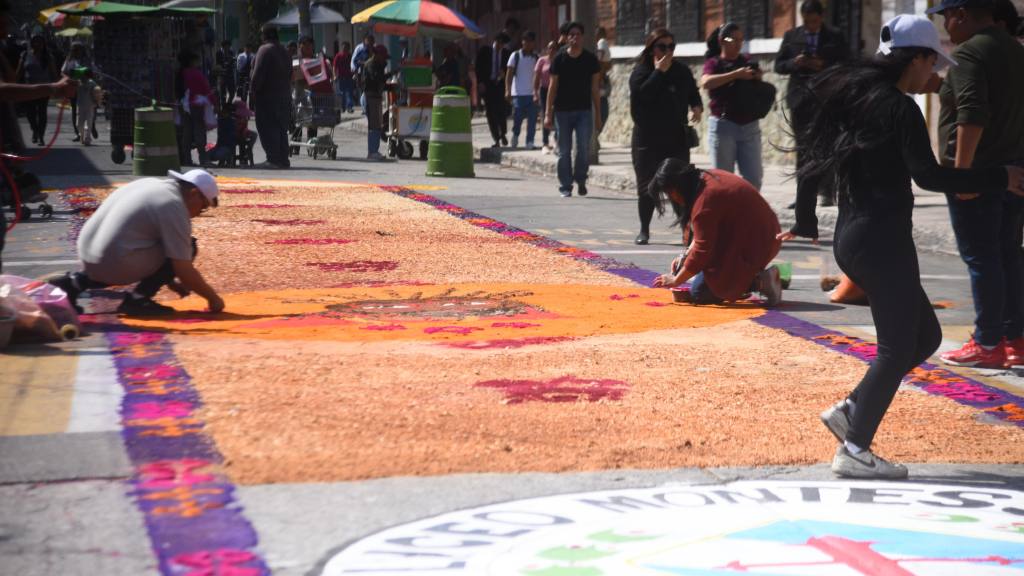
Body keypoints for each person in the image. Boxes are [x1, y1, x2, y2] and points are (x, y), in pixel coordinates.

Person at [781, 14, 1024, 478]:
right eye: (932, 62)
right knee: (896, 347)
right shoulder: (897, 106)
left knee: (925, 337)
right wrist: (1000, 178)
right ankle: (854, 449)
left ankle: (853, 409)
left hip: (856, 238)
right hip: (881, 240)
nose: (935, 73)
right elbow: (930, 176)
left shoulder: (862, 99)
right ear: (916, 58)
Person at [927, 0, 1024, 370]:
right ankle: (1014, 339)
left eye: (946, 18)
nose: (945, 27)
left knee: (982, 258)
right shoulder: (1014, 51)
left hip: (980, 172)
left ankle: (986, 342)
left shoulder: (969, 52)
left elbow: (972, 114)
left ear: (961, 14)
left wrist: (962, 174)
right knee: (1008, 255)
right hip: (1014, 169)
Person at [47, 169, 225, 317]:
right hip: (114, 262)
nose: (197, 214)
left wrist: (167, 279)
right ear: (194, 193)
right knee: (188, 245)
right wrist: (214, 299)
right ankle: (139, 299)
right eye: (202, 208)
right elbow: (182, 268)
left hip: (89, 255)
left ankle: (73, 283)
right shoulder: (173, 205)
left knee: (120, 255)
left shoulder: (151, 184)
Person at [649, 159, 783, 306]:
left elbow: (702, 250)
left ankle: (760, 281)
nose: (672, 198)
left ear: (678, 187)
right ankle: (747, 278)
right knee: (703, 278)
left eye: (670, 193)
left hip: (761, 243)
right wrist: (686, 256)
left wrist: (675, 280)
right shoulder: (706, 179)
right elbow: (703, 237)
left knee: (701, 293)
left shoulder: (704, 201)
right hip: (766, 233)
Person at [630, 28, 703, 246]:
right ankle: (644, 230)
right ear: (652, 48)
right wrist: (658, 72)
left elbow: (692, 91)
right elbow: (641, 98)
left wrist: (697, 106)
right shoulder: (641, 72)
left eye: (671, 46)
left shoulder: (681, 70)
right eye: (662, 46)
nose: (667, 51)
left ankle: (686, 230)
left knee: (681, 186)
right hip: (647, 140)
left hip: (675, 139)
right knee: (647, 187)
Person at [775, 0, 850, 214]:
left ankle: (827, 191)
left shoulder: (835, 36)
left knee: (826, 145)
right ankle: (803, 194)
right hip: (801, 100)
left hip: (826, 99)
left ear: (822, 17)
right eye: (807, 22)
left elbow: (847, 63)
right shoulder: (792, 36)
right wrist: (795, 63)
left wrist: (823, 65)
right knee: (803, 148)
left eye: (815, 21)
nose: (811, 26)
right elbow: (779, 65)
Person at [700, 22, 765, 190]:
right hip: (723, 126)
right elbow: (706, 82)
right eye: (733, 40)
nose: (738, 44)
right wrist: (736, 75)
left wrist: (757, 76)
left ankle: (747, 214)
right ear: (722, 41)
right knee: (723, 179)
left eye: (741, 40)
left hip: (749, 126)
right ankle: (726, 214)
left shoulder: (746, 61)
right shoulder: (714, 63)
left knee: (754, 179)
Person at [545, 21, 602, 198]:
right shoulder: (559, 59)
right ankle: (565, 185)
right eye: (571, 35)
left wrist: (598, 115)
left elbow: (595, 89)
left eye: (577, 35)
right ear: (566, 38)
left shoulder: (590, 60)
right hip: (562, 112)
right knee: (564, 151)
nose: (574, 38)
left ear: (582, 37)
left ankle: (581, 178)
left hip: (584, 111)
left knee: (583, 148)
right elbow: (552, 87)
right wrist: (548, 114)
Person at [250, 24, 292, 169]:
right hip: (285, 96)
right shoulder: (285, 51)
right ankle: (283, 159)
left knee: (268, 127)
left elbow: (257, 75)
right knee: (281, 129)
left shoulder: (264, 50)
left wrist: (252, 92)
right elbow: (290, 73)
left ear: (265, 36)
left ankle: (273, 159)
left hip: (267, 97)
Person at [16, 34, 57, 145]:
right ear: (31, 43)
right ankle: (35, 130)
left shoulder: (48, 56)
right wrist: (15, 85)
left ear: (43, 44)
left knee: (42, 113)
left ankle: (41, 136)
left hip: (44, 89)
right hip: (28, 89)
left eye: (40, 42)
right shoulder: (25, 55)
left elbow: (53, 72)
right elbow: (19, 72)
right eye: (35, 42)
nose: (37, 44)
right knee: (30, 114)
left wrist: (56, 87)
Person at [179, 51, 216, 167]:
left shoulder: (181, 73)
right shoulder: (197, 74)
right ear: (192, 61)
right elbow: (206, 89)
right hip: (196, 105)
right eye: (197, 60)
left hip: (184, 106)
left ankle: (186, 159)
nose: (199, 63)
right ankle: (203, 159)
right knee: (199, 132)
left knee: (187, 132)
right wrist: (214, 102)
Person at [505, 30, 539, 149]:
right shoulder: (515, 56)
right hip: (518, 94)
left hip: (532, 94)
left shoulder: (536, 57)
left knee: (532, 120)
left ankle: (529, 141)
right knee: (517, 118)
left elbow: (538, 75)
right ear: (522, 42)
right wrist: (507, 90)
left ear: (533, 43)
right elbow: (509, 74)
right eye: (525, 41)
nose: (527, 43)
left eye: (530, 41)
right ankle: (515, 135)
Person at [476, 33, 511, 147]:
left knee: (502, 110)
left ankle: (503, 133)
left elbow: (510, 70)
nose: (500, 45)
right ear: (494, 41)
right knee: (491, 112)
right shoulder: (485, 51)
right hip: (488, 84)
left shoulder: (506, 54)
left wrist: (504, 74)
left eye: (502, 44)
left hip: (500, 85)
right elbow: (478, 67)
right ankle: (496, 138)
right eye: (498, 42)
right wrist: (480, 82)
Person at [361, 44, 389, 160]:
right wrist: (388, 74)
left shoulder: (377, 65)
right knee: (373, 125)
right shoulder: (371, 65)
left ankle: (374, 151)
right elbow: (376, 79)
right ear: (376, 55)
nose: (384, 60)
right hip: (370, 97)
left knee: (377, 124)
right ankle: (372, 152)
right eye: (383, 57)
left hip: (375, 97)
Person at [534, 40, 557, 154]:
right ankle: (545, 142)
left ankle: (557, 139)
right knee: (545, 114)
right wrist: (535, 92)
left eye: (554, 48)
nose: (552, 50)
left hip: (557, 90)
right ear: (547, 49)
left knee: (557, 114)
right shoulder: (542, 60)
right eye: (550, 47)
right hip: (544, 90)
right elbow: (536, 77)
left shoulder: (559, 60)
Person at [61, 42, 88, 142]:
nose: (75, 51)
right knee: (74, 111)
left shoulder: (86, 60)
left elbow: (92, 72)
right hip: (73, 87)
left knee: (85, 110)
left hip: (85, 88)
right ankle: (78, 133)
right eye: (73, 49)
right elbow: (63, 72)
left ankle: (89, 128)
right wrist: (68, 79)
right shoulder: (69, 60)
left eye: (77, 49)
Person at [75, 68, 99, 146]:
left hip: (90, 106)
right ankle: (82, 135)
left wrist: (96, 100)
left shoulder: (92, 83)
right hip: (80, 105)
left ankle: (87, 139)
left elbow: (97, 92)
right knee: (79, 124)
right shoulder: (78, 82)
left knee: (89, 122)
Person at [595, 26, 612, 134]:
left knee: (601, 109)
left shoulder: (601, 43)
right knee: (602, 110)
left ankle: (595, 134)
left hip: (601, 77)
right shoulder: (603, 43)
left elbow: (600, 61)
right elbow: (601, 61)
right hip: (601, 77)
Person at [351, 34, 375, 111]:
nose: (370, 45)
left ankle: (368, 110)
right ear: (364, 43)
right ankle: (366, 110)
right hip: (364, 78)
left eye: (371, 42)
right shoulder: (362, 52)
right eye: (368, 43)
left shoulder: (376, 51)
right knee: (365, 96)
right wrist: (364, 63)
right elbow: (355, 61)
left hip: (374, 78)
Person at [333, 41, 354, 112]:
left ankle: (349, 107)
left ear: (349, 49)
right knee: (342, 93)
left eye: (347, 48)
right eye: (344, 48)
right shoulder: (338, 56)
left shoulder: (351, 56)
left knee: (349, 93)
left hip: (349, 77)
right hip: (341, 77)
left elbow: (353, 66)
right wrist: (335, 75)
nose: (345, 50)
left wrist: (355, 74)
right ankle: (343, 107)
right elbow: (334, 67)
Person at [215, 40, 236, 108]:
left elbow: (233, 63)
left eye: (229, 46)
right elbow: (218, 63)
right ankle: (223, 107)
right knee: (222, 93)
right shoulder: (218, 53)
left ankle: (228, 104)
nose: (228, 48)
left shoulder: (231, 52)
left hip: (230, 74)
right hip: (222, 75)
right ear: (223, 46)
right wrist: (224, 64)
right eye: (226, 47)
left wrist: (231, 61)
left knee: (232, 91)